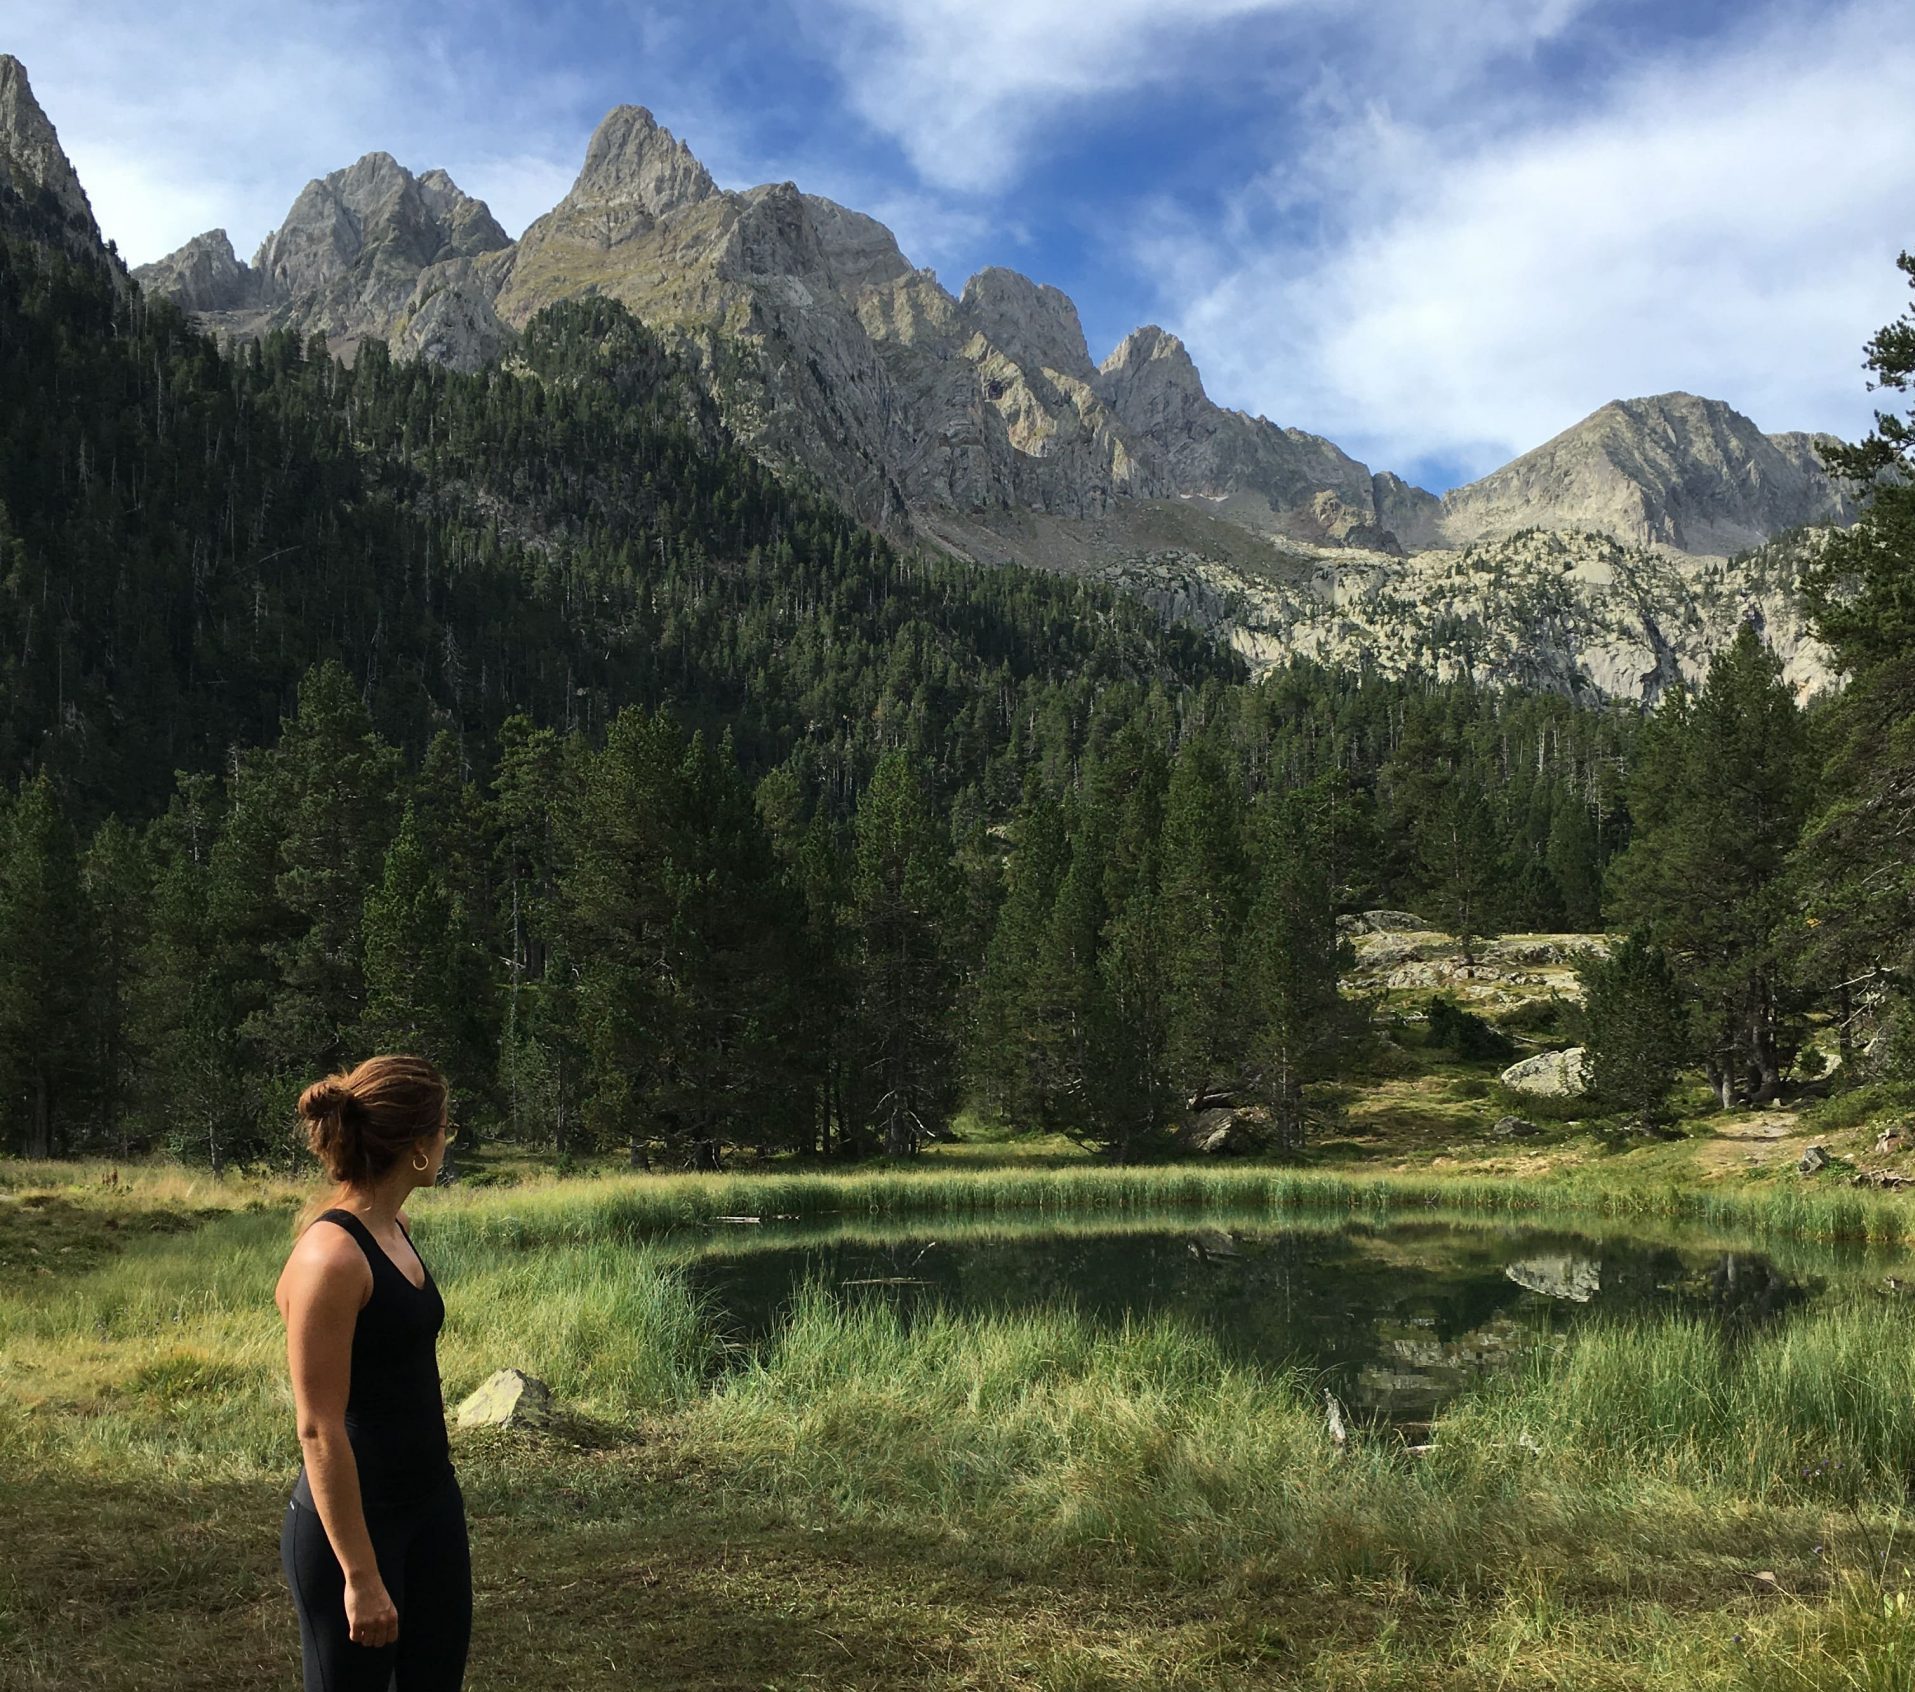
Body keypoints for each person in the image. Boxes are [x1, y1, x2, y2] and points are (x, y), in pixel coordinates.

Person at [276, 1054, 471, 1691]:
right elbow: (318, 1428)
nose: (447, 1141)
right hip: (356, 1527)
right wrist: (359, 1575)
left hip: (431, 1504)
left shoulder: (395, 1227)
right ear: (417, 1146)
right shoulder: (331, 1259)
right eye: (445, 1128)